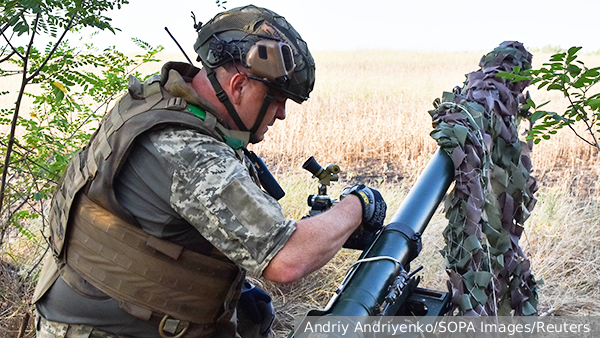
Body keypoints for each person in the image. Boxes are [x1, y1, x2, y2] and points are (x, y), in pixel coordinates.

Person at [33, 5, 386, 338]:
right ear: (238, 85)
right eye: (277, 99)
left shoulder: (161, 105)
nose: (280, 114)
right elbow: (286, 260)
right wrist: (357, 205)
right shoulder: (188, 149)